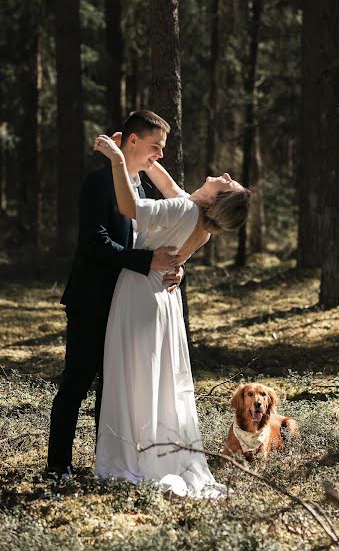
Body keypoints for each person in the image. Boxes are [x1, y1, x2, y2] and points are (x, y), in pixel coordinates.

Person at [93, 133, 251, 498]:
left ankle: (136, 456)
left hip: (140, 295)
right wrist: (144, 158)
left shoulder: (183, 210)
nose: (224, 174)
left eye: (228, 182)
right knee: (156, 378)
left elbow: (132, 207)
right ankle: (154, 449)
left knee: (135, 375)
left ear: (218, 197)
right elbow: (165, 182)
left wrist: (118, 159)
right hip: (164, 302)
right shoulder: (197, 220)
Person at [47, 110, 184, 478]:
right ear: (133, 141)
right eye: (156, 146)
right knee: (77, 382)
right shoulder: (99, 183)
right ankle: (57, 465)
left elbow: (153, 238)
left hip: (129, 305)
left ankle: (107, 464)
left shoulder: (141, 187)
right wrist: (146, 262)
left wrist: (174, 265)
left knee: (115, 390)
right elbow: (94, 243)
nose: (160, 154)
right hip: (93, 301)